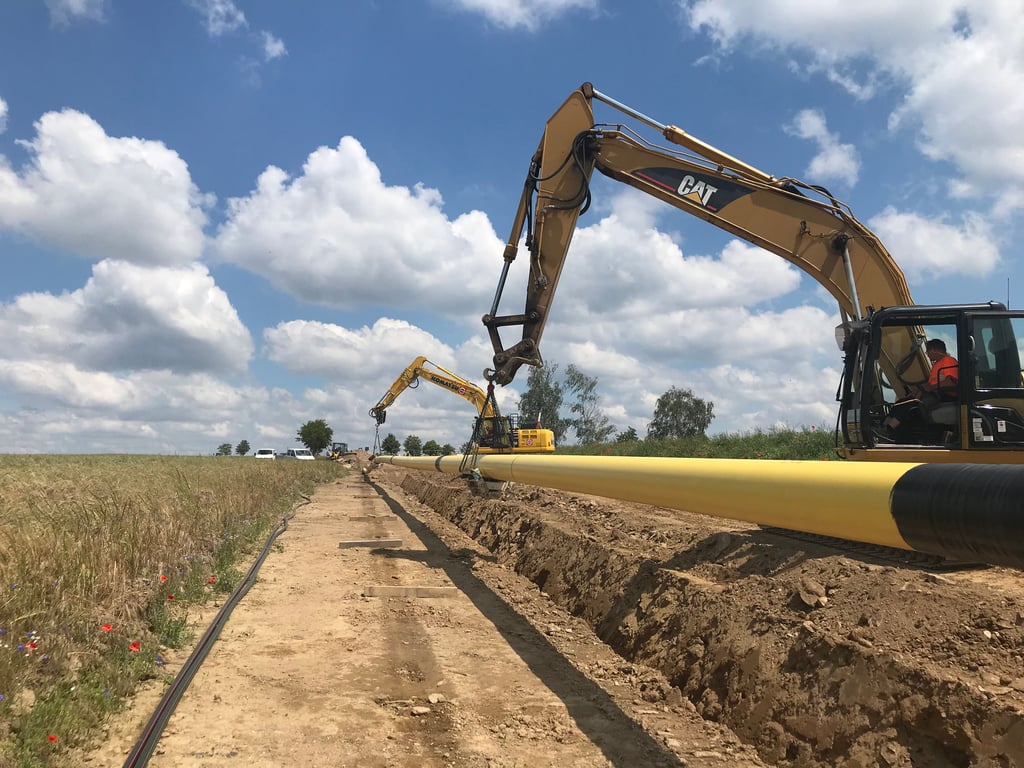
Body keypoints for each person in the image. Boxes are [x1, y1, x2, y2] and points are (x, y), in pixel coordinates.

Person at [883, 339, 958, 441]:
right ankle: (885, 426)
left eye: (927, 351)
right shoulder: (937, 364)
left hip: (943, 396)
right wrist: (916, 392)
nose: (927, 354)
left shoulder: (948, 361)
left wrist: (930, 388)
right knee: (900, 402)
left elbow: (951, 382)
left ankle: (889, 430)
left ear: (934, 350)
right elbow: (930, 384)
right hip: (933, 394)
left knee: (908, 405)